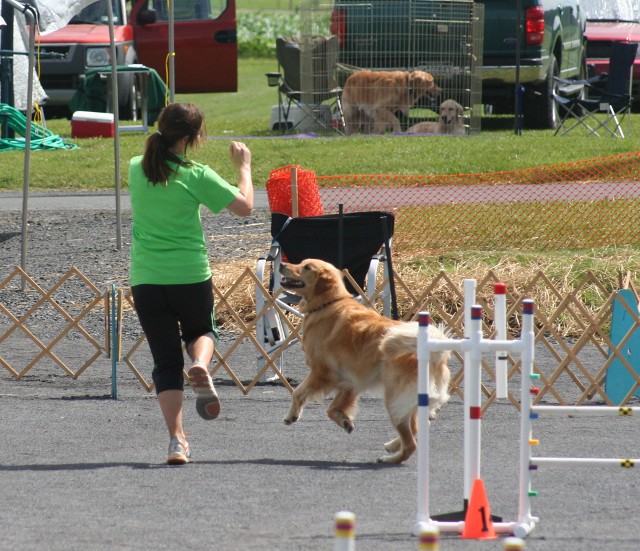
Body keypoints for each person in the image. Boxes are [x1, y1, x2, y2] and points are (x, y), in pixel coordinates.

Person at [128, 102, 253, 465]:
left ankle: (177, 441)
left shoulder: (137, 169)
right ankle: (199, 362)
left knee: (165, 362)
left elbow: (155, 165)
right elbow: (245, 206)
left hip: (147, 277)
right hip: (189, 272)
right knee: (203, 330)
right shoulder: (196, 174)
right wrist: (244, 167)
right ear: (191, 138)